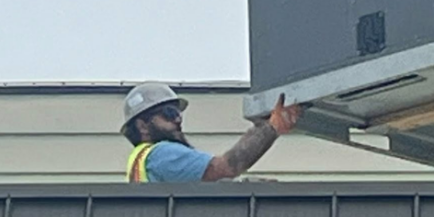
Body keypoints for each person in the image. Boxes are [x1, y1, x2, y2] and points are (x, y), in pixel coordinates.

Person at [121, 82, 301, 182]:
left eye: (178, 113)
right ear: (143, 126)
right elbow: (225, 168)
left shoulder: (143, 162)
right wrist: (271, 128)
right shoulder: (161, 154)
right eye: (169, 113)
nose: (178, 119)